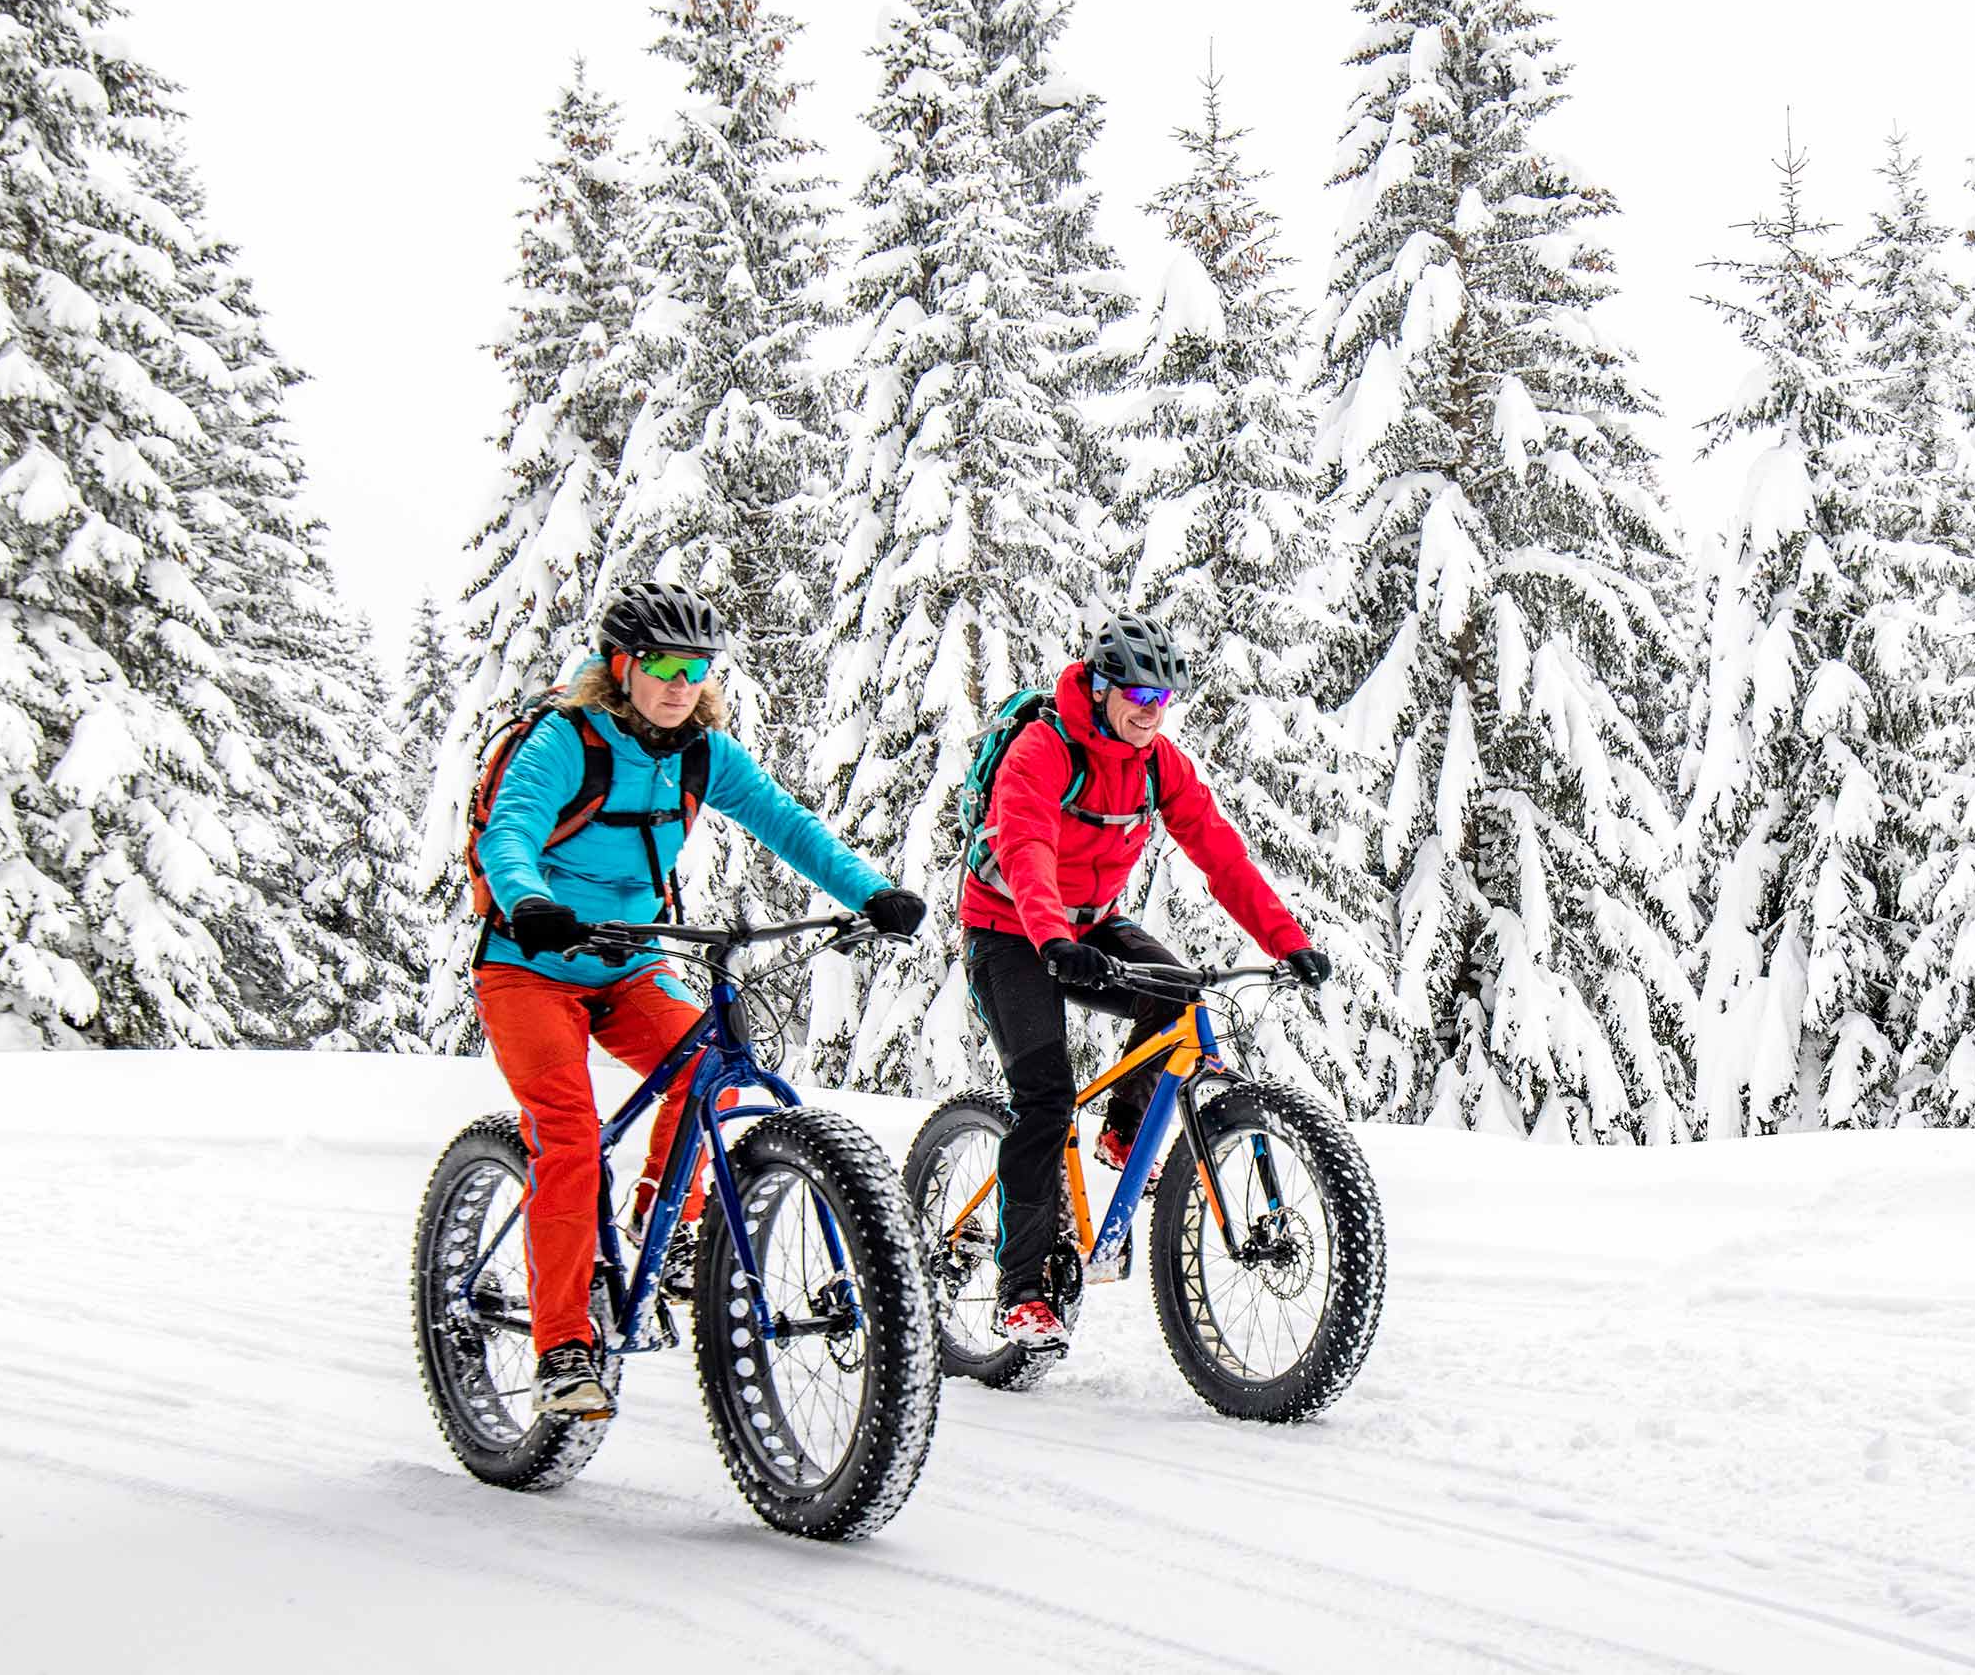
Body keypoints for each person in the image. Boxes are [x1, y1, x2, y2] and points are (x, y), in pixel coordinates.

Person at [473, 580, 925, 1418]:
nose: (683, 683)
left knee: (710, 1071)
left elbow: (788, 825)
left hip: (628, 961)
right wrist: (529, 900)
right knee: (568, 1136)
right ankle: (563, 1344)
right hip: (530, 964)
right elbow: (512, 828)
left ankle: (661, 1225)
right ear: (622, 666)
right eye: (665, 665)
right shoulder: (567, 741)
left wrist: (871, 891)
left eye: (698, 667)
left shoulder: (701, 751)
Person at [961, 610, 1331, 1353]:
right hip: (1007, 927)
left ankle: (1126, 1133)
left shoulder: (1158, 762)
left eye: (1162, 701)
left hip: (1086, 922)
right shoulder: (1043, 749)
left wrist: (1287, 942)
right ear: (1099, 687)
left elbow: (1219, 852)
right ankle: (1021, 1290)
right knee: (1045, 1096)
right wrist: (1052, 937)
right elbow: (1026, 843)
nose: (1149, 711)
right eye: (1135, 695)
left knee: (1177, 994)